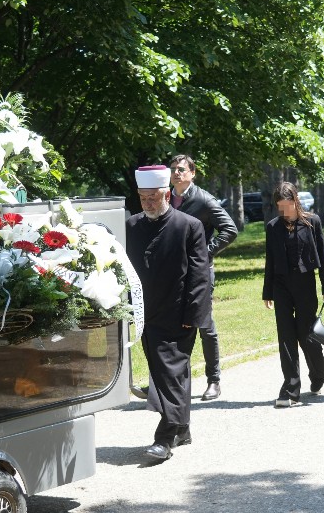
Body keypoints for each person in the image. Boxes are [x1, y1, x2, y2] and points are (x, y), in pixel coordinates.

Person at [126, 165, 212, 461]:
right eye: (143, 198)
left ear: (166, 194)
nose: (148, 203)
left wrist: (193, 315)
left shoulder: (189, 226)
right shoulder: (132, 226)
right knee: (169, 373)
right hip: (146, 315)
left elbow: (199, 275)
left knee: (170, 373)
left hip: (179, 315)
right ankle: (182, 429)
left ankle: (164, 438)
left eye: (153, 197)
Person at [169, 154, 237, 400]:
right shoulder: (165, 198)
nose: (176, 173)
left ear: (192, 173)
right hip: (172, 273)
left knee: (205, 326)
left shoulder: (204, 200)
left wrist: (204, 253)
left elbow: (230, 229)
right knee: (172, 326)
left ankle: (213, 381)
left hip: (200, 273)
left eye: (181, 169)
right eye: (173, 169)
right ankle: (168, 381)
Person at [262, 182, 324, 407]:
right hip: (281, 285)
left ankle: (319, 373)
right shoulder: (273, 227)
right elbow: (270, 260)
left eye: (288, 205)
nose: (284, 210)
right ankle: (291, 389)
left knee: (306, 334)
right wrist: (267, 292)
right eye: (280, 206)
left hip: (305, 283)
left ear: (296, 201)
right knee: (286, 336)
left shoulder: (312, 222)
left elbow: (323, 255)